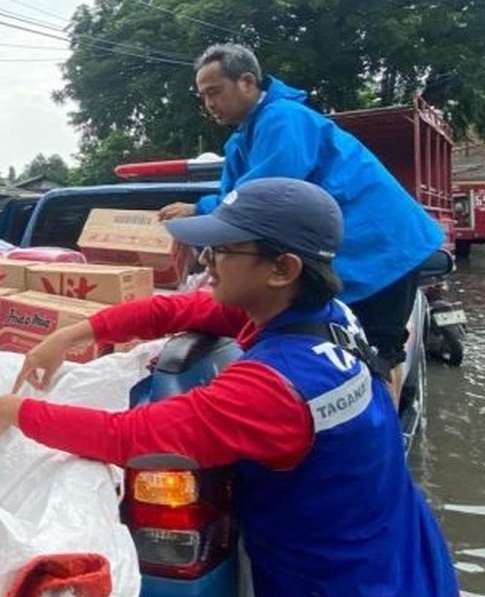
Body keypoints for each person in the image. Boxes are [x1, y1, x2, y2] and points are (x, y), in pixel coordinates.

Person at [0, 178, 464, 597]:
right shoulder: (326, 315)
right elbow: (173, 311)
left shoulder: (274, 386)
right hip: (411, 578)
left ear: (283, 268)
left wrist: (16, 412)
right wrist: (74, 334)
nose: (206, 261)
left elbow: (130, 437)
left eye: (225, 250)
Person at [159, 43, 444, 373]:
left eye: (215, 91)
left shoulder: (284, 119)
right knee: (342, 350)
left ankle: (381, 423)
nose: (209, 103)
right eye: (203, 96)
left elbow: (264, 194)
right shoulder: (243, 138)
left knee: (376, 354)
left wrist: (200, 210)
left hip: (382, 244)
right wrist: (205, 213)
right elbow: (234, 198)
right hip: (353, 247)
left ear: (248, 82)